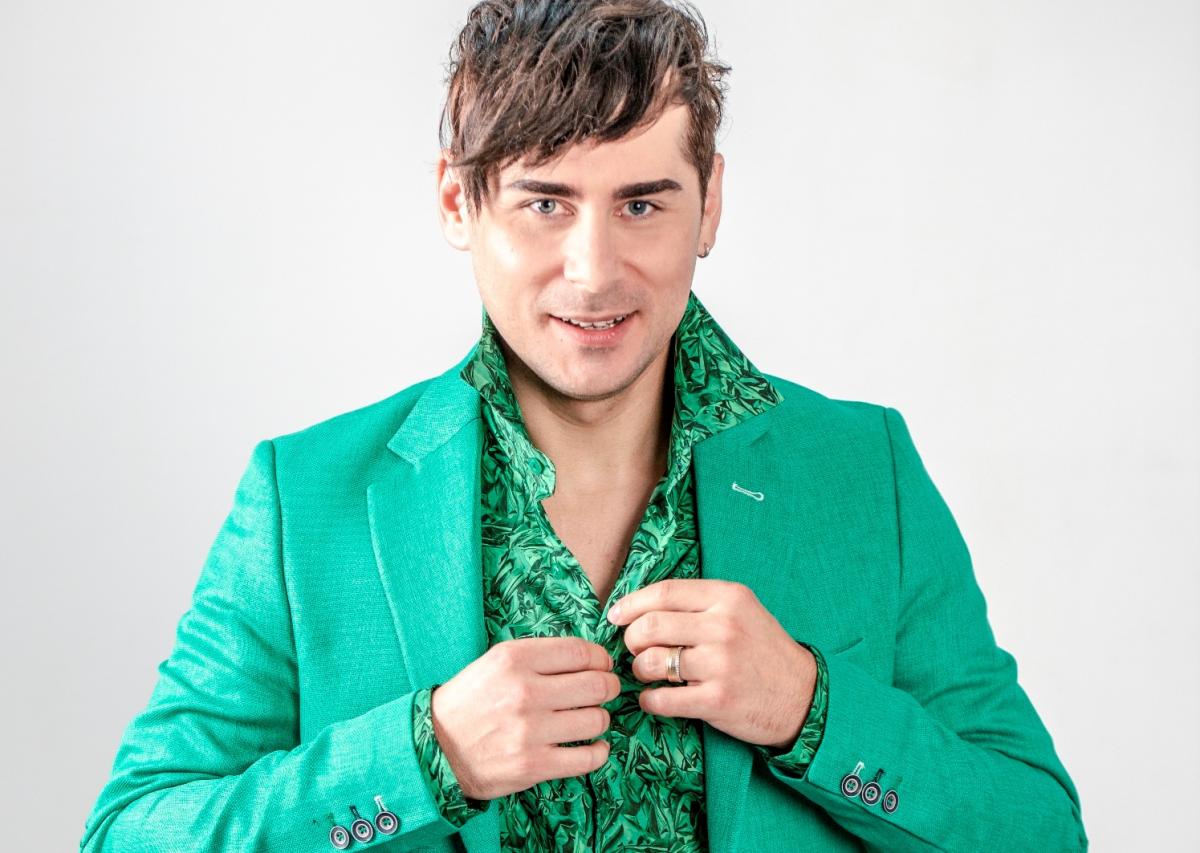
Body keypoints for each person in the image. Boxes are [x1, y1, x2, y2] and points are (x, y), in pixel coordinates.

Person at [80, 1, 1088, 850]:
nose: (595, 271)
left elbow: (1040, 829)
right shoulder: (305, 497)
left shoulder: (865, 470)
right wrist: (428, 755)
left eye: (643, 205)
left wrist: (811, 710)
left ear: (710, 203)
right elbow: (129, 833)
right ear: (458, 202)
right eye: (545, 204)